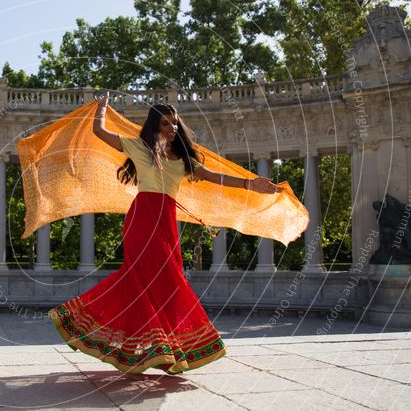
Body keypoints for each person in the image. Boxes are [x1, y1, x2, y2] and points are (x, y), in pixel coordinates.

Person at [48, 93, 280, 375]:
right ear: (154, 127)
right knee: (145, 277)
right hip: (142, 218)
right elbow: (99, 132)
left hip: (166, 221)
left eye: (174, 124)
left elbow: (215, 177)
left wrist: (251, 184)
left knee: (166, 280)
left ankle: (158, 348)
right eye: (166, 124)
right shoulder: (138, 147)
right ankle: (162, 348)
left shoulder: (184, 160)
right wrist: (102, 108)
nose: (172, 129)